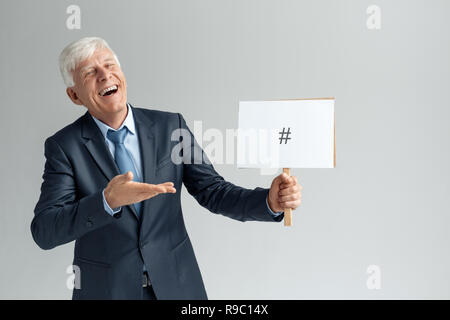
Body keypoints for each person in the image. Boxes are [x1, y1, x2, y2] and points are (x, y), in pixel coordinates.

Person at [31, 37, 302, 300]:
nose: (105, 75)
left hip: (177, 286)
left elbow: (213, 191)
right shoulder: (64, 147)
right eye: (90, 72)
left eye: (110, 65)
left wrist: (269, 201)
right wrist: (106, 201)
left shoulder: (170, 126)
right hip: (107, 292)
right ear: (74, 95)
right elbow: (45, 230)